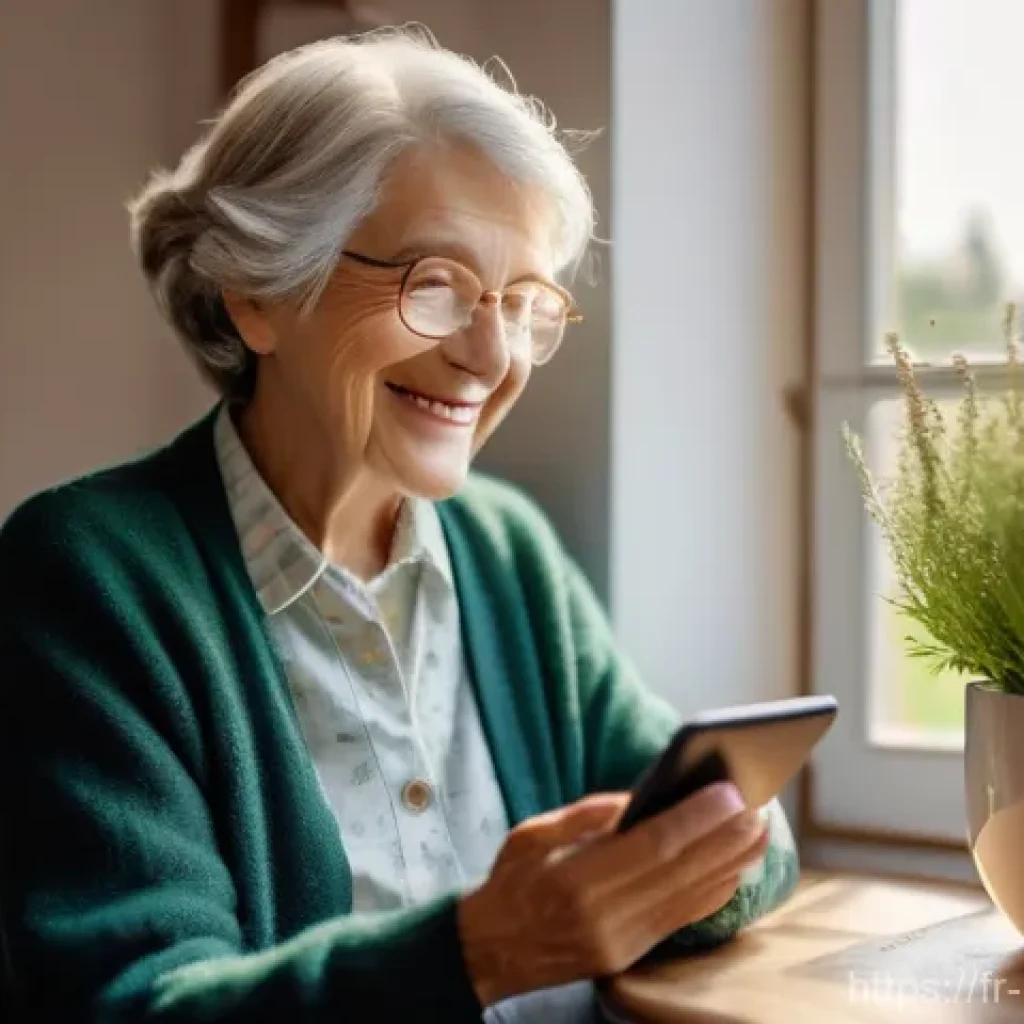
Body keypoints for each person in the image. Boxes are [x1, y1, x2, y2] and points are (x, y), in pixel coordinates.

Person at [0, 27, 798, 1024]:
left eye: (520, 301)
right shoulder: (87, 575)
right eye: (436, 287)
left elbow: (741, 835)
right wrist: (485, 947)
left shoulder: (508, 551)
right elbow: (132, 1006)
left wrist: (702, 862)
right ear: (257, 289)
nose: (490, 354)